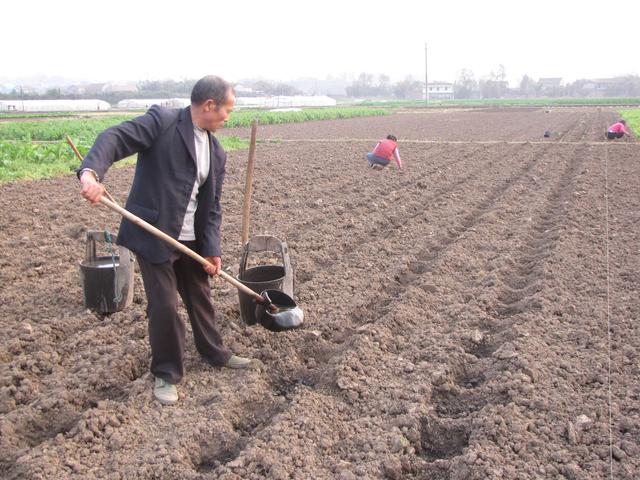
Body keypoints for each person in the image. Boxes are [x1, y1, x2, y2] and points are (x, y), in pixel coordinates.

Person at [78, 75, 261, 406]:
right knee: (164, 306)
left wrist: (212, 249)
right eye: (227, 111)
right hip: (155, 233)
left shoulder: (216, 151)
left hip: (191, 241)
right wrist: (91, 173)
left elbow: (212, 207)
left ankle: (215, 353)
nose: (228, 118)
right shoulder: (162, 122)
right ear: (209, 105)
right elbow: (115, 138)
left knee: (200, 297)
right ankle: (166, 372)